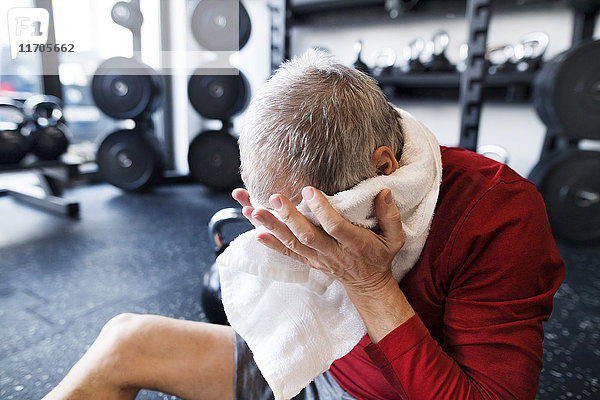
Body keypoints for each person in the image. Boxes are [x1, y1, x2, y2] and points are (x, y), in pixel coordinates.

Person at [44, 50, 564, 400]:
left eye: (305, 218)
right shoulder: (346, 175)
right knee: (125, 337)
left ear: (383, 169)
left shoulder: (501, 214)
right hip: (311, 358)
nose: (291, 236)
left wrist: (372, 284)